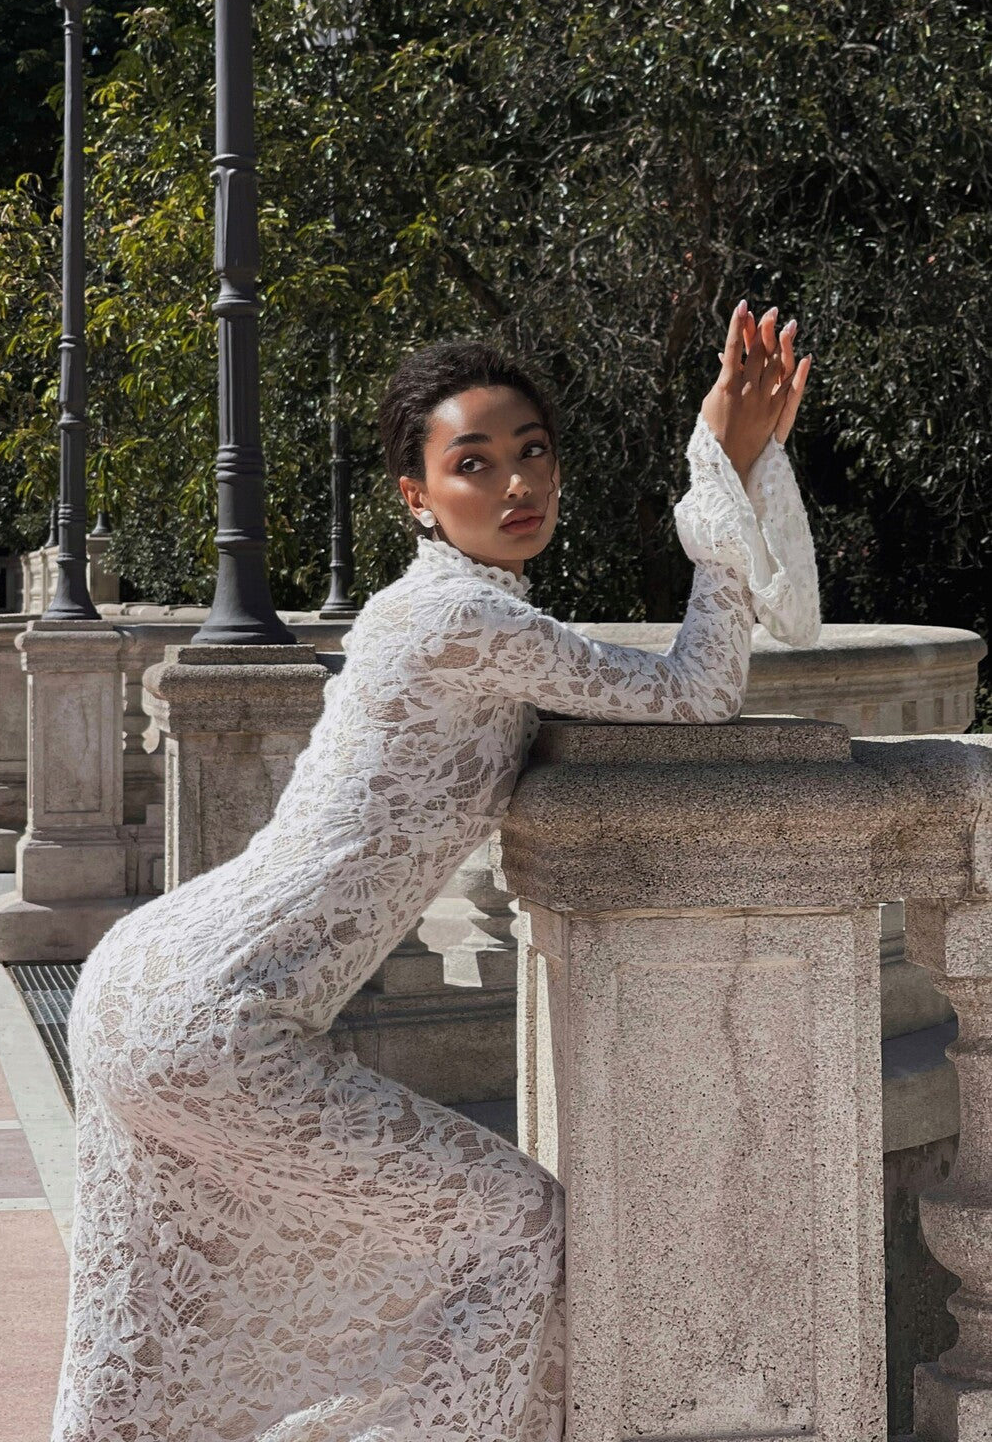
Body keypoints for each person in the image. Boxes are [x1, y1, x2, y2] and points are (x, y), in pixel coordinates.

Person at [50, 300, 820, 1442]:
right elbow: (694, 692)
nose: (515, 484)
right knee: (511, 1226)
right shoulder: (458, 615)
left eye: (531, 452)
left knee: (165, 1329)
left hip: (157, 986)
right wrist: (725, 464)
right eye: (473, 464)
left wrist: (731, 459)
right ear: (416, 496)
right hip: (208, 1014)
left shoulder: (443, 606)